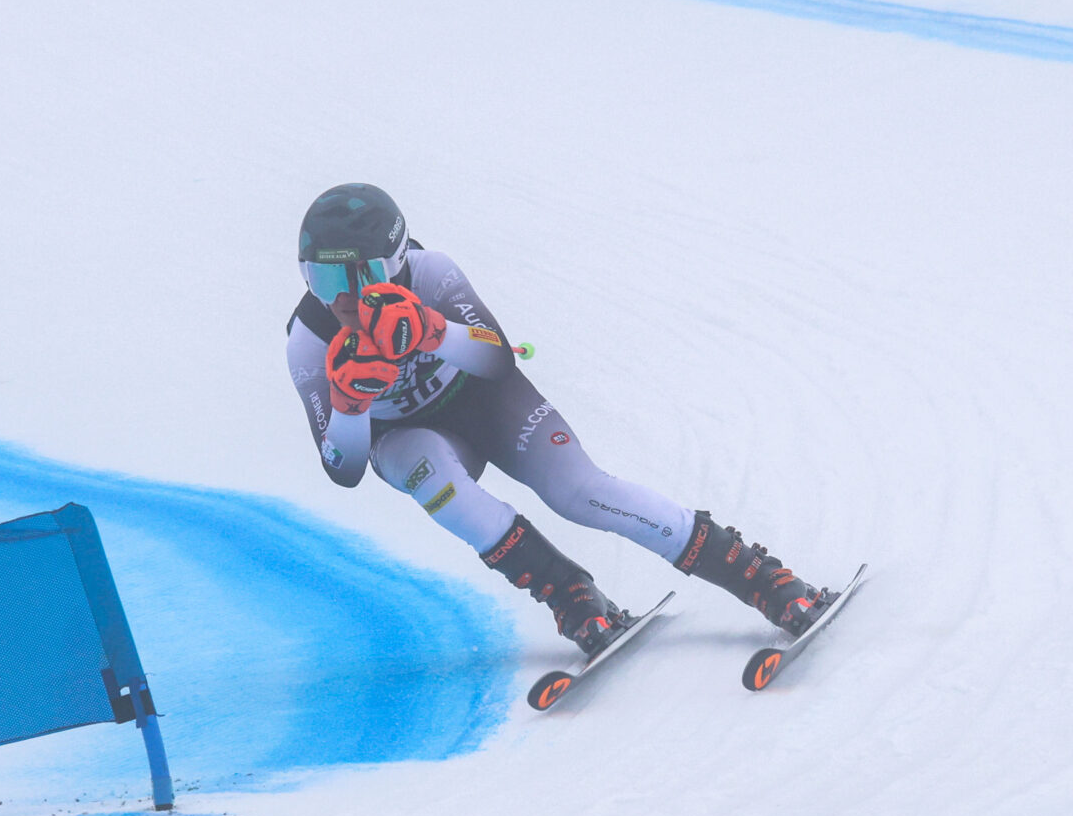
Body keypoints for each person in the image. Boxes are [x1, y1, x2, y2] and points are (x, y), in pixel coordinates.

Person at [286, 182, 833, 657]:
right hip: (407, 437)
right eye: (325, 281)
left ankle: (757, 575)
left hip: (485, 400)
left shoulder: (432, 273)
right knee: (428, 472)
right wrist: (349, 406)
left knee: (580, 492)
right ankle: (568, 594)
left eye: (363, 276)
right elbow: (343, 468)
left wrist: (433, 331)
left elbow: (496, 359)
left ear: (400, 259)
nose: (345, 300)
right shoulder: (308, 342)